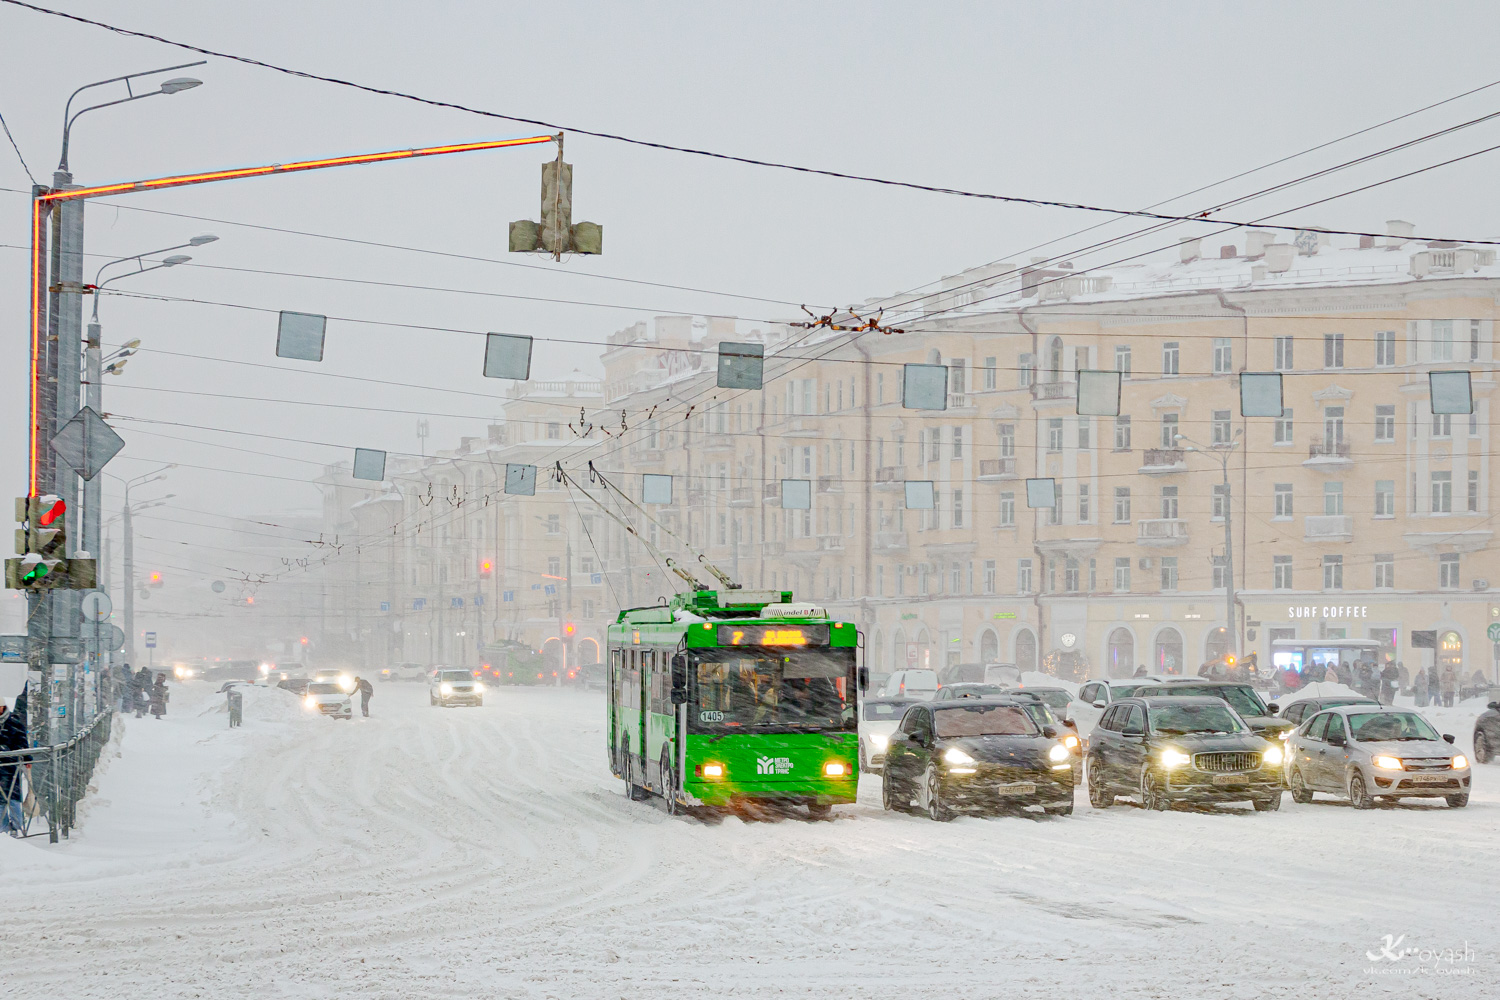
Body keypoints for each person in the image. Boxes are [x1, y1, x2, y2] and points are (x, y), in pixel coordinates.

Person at [0, 688, 29, 836]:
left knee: (13, 798)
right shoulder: (14, 722)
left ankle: (17, 826)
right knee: (0, 801)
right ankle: (4, 830)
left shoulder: (13, 722)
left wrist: (26, 757)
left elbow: (22, 741)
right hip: (5, 766)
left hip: (11, 767)